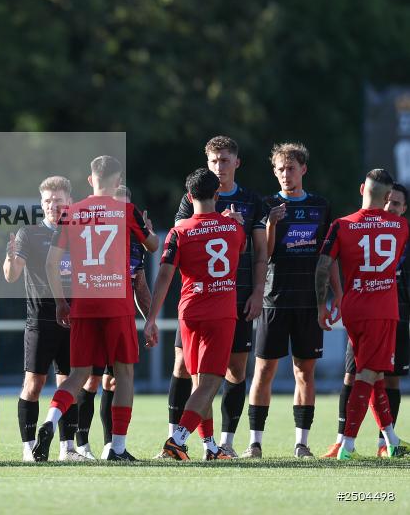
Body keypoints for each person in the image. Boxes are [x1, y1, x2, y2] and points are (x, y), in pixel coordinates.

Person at [33, 156, 158, 462]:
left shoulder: (71, 212)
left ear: (90, 180)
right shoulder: (126, 210)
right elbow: (153, 246)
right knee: (124, 373)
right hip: (117, 304)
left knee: (77, 376)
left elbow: (51, 263)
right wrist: (148, 231)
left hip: (84, 303)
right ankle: (116, 447)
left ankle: (49, 422)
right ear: (118, 182)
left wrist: (62, 301)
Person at [162, 136, 267, 458]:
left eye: (224, 160)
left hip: (236, 297)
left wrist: (258, 292)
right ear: (206, 164)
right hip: (203, 299)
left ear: (236, 162)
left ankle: (221, 443)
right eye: (213, 161)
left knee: (234, 371)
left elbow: (260, 253)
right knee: (191, 371)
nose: (219, 167)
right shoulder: (191, 201)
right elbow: (184, 241)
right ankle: (178, 438)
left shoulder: (252, 202)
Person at [243, 142, 341, 459]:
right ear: (274, 172)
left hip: (308, 303)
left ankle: (302, 443)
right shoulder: (266, 205)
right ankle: (255, 442)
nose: (286, 174)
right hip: (273, 300)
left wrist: (335, 295)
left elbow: (330, 257)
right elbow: (264, 254)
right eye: (281, 169)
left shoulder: (320, 206)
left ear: (303, 170)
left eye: (291, 168)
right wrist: (271, 223)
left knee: (304, 372)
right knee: (263, 372)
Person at [145, 168, 246, 461]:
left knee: (201, 382)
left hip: (189, 311)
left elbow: (164, 276)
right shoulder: (234, 228)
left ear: (189, 197)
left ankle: (211, 447)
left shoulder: (179, 232)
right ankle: (176, 440)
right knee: (212, 382)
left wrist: (151, 318)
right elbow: (239, 249)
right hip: (220, 312)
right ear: (218, 194)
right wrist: (229, 222)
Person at [315, 169, 410, 459]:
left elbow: (322, 267)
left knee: (375, 375)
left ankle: (391, 440)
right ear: (387, 197)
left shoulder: (341, 225)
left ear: (361, 190)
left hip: (353, 308)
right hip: (382, 310)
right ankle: (348, 446)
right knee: (366, 376)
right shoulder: (400, 226)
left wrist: (321, 304)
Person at [4, 176, 84, 462]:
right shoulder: (30, 233)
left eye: (59, 201)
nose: (53, 206)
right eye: (48, 201)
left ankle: (67, 448)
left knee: (69, 384)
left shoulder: (80, 232)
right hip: (40, 321)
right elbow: (12, 275)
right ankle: (28, 447)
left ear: (70, 203)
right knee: (34, 384)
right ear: (41, 204)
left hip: (74, 322)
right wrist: (10, 258)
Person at [75, 184, 153, 461]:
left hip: (118, 319)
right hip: (93, 316)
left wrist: (150, 319)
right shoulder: (90, 235)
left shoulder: (135, 247)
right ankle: (81, 444)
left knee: (111, 381)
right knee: (90, 379)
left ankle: (113, 445)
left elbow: (140, 287)